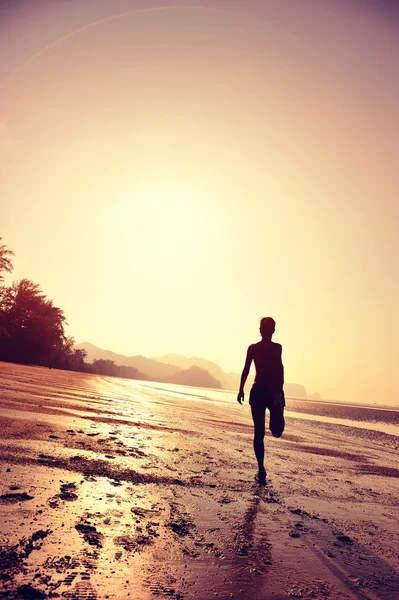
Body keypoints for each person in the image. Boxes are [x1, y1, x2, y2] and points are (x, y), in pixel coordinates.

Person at [237, 317, 285, 483]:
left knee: (264, 432)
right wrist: (241, 388)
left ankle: (260, 467)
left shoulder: (275, 348)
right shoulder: (255, 348)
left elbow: (279, 368)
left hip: (264, 392)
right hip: (263, 392)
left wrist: (241, 389)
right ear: (272, 330)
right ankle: (261, 469)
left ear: (260, 329)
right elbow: (248, 369)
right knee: (263, 433)